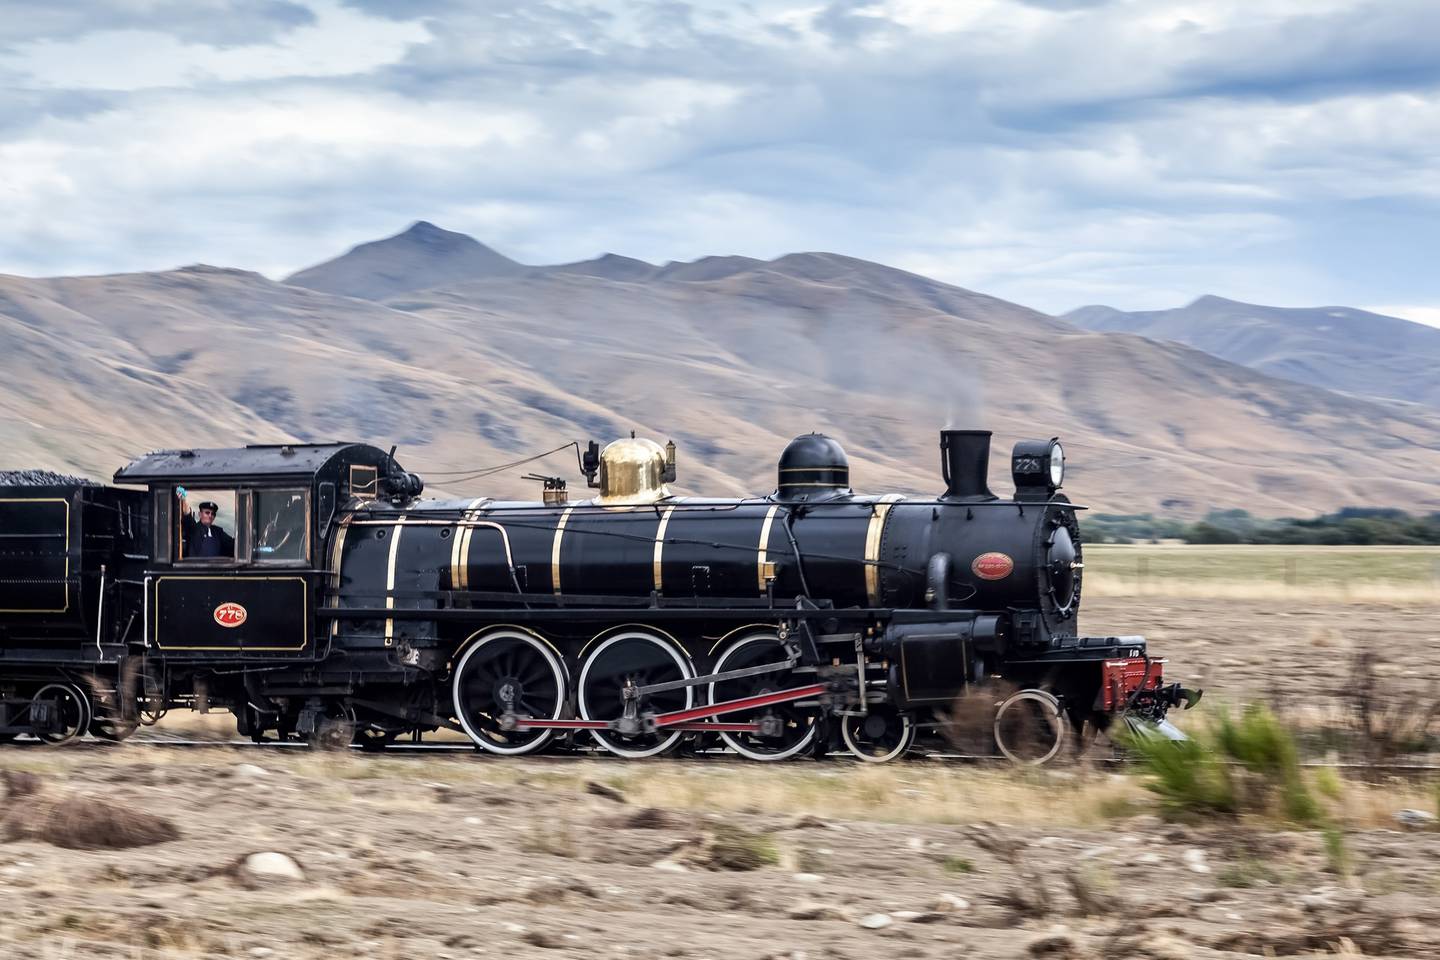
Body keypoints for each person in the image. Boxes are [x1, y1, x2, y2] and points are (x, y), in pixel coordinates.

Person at [178, 489, 234, 559]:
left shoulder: (218, 531)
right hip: (196, 568)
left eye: (213, 514)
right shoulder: (193, 529)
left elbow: (233, 545)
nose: (210, 516)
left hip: (217, 568)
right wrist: (183, 497)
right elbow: (187, 514)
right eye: (207, 513)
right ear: (200, 514)